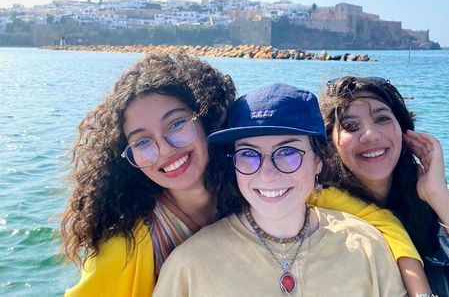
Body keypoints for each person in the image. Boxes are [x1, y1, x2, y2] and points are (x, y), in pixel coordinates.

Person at [154, 83, 407, 296]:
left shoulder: (366, 245)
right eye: (249, 154)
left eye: (287, 152)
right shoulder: (190, 264)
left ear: (319, 159)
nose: (267, 173)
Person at [318, 76, 449, 297]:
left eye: (381, 119)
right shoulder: (326, 219)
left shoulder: (425, 204)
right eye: (350, 126)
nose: (370, 135)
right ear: (331, 145)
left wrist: (439, 196)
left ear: (405, 132)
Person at [60, 53, 236, 296]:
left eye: (176, 124)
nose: (164, 149)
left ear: (207, 118)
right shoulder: (125, 248)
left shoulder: (258, 191)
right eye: (142, 142)